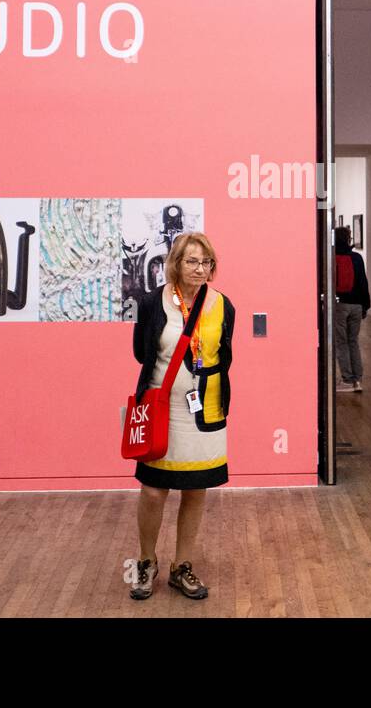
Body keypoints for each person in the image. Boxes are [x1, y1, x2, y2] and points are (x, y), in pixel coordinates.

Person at [128, 232, 236, 600]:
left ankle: (182, 566)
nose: (200, 269)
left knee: (195, 489)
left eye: (206, 262)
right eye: (192, 261)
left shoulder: (223, 305)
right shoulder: (151, 302)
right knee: (154, 490)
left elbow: (225, 355)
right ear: (176, 263)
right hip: (163, 409)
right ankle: (146, 562)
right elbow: (142, 354)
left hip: (205, 410)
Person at [333, 225, 371, 391]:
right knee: (353, 341)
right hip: (357, 305)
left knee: (341, 342)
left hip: (340, 304)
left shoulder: (332, 257)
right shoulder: (357, 257)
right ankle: (357, 380)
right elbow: (363, 282)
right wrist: (365, 305)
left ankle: (347, 380)